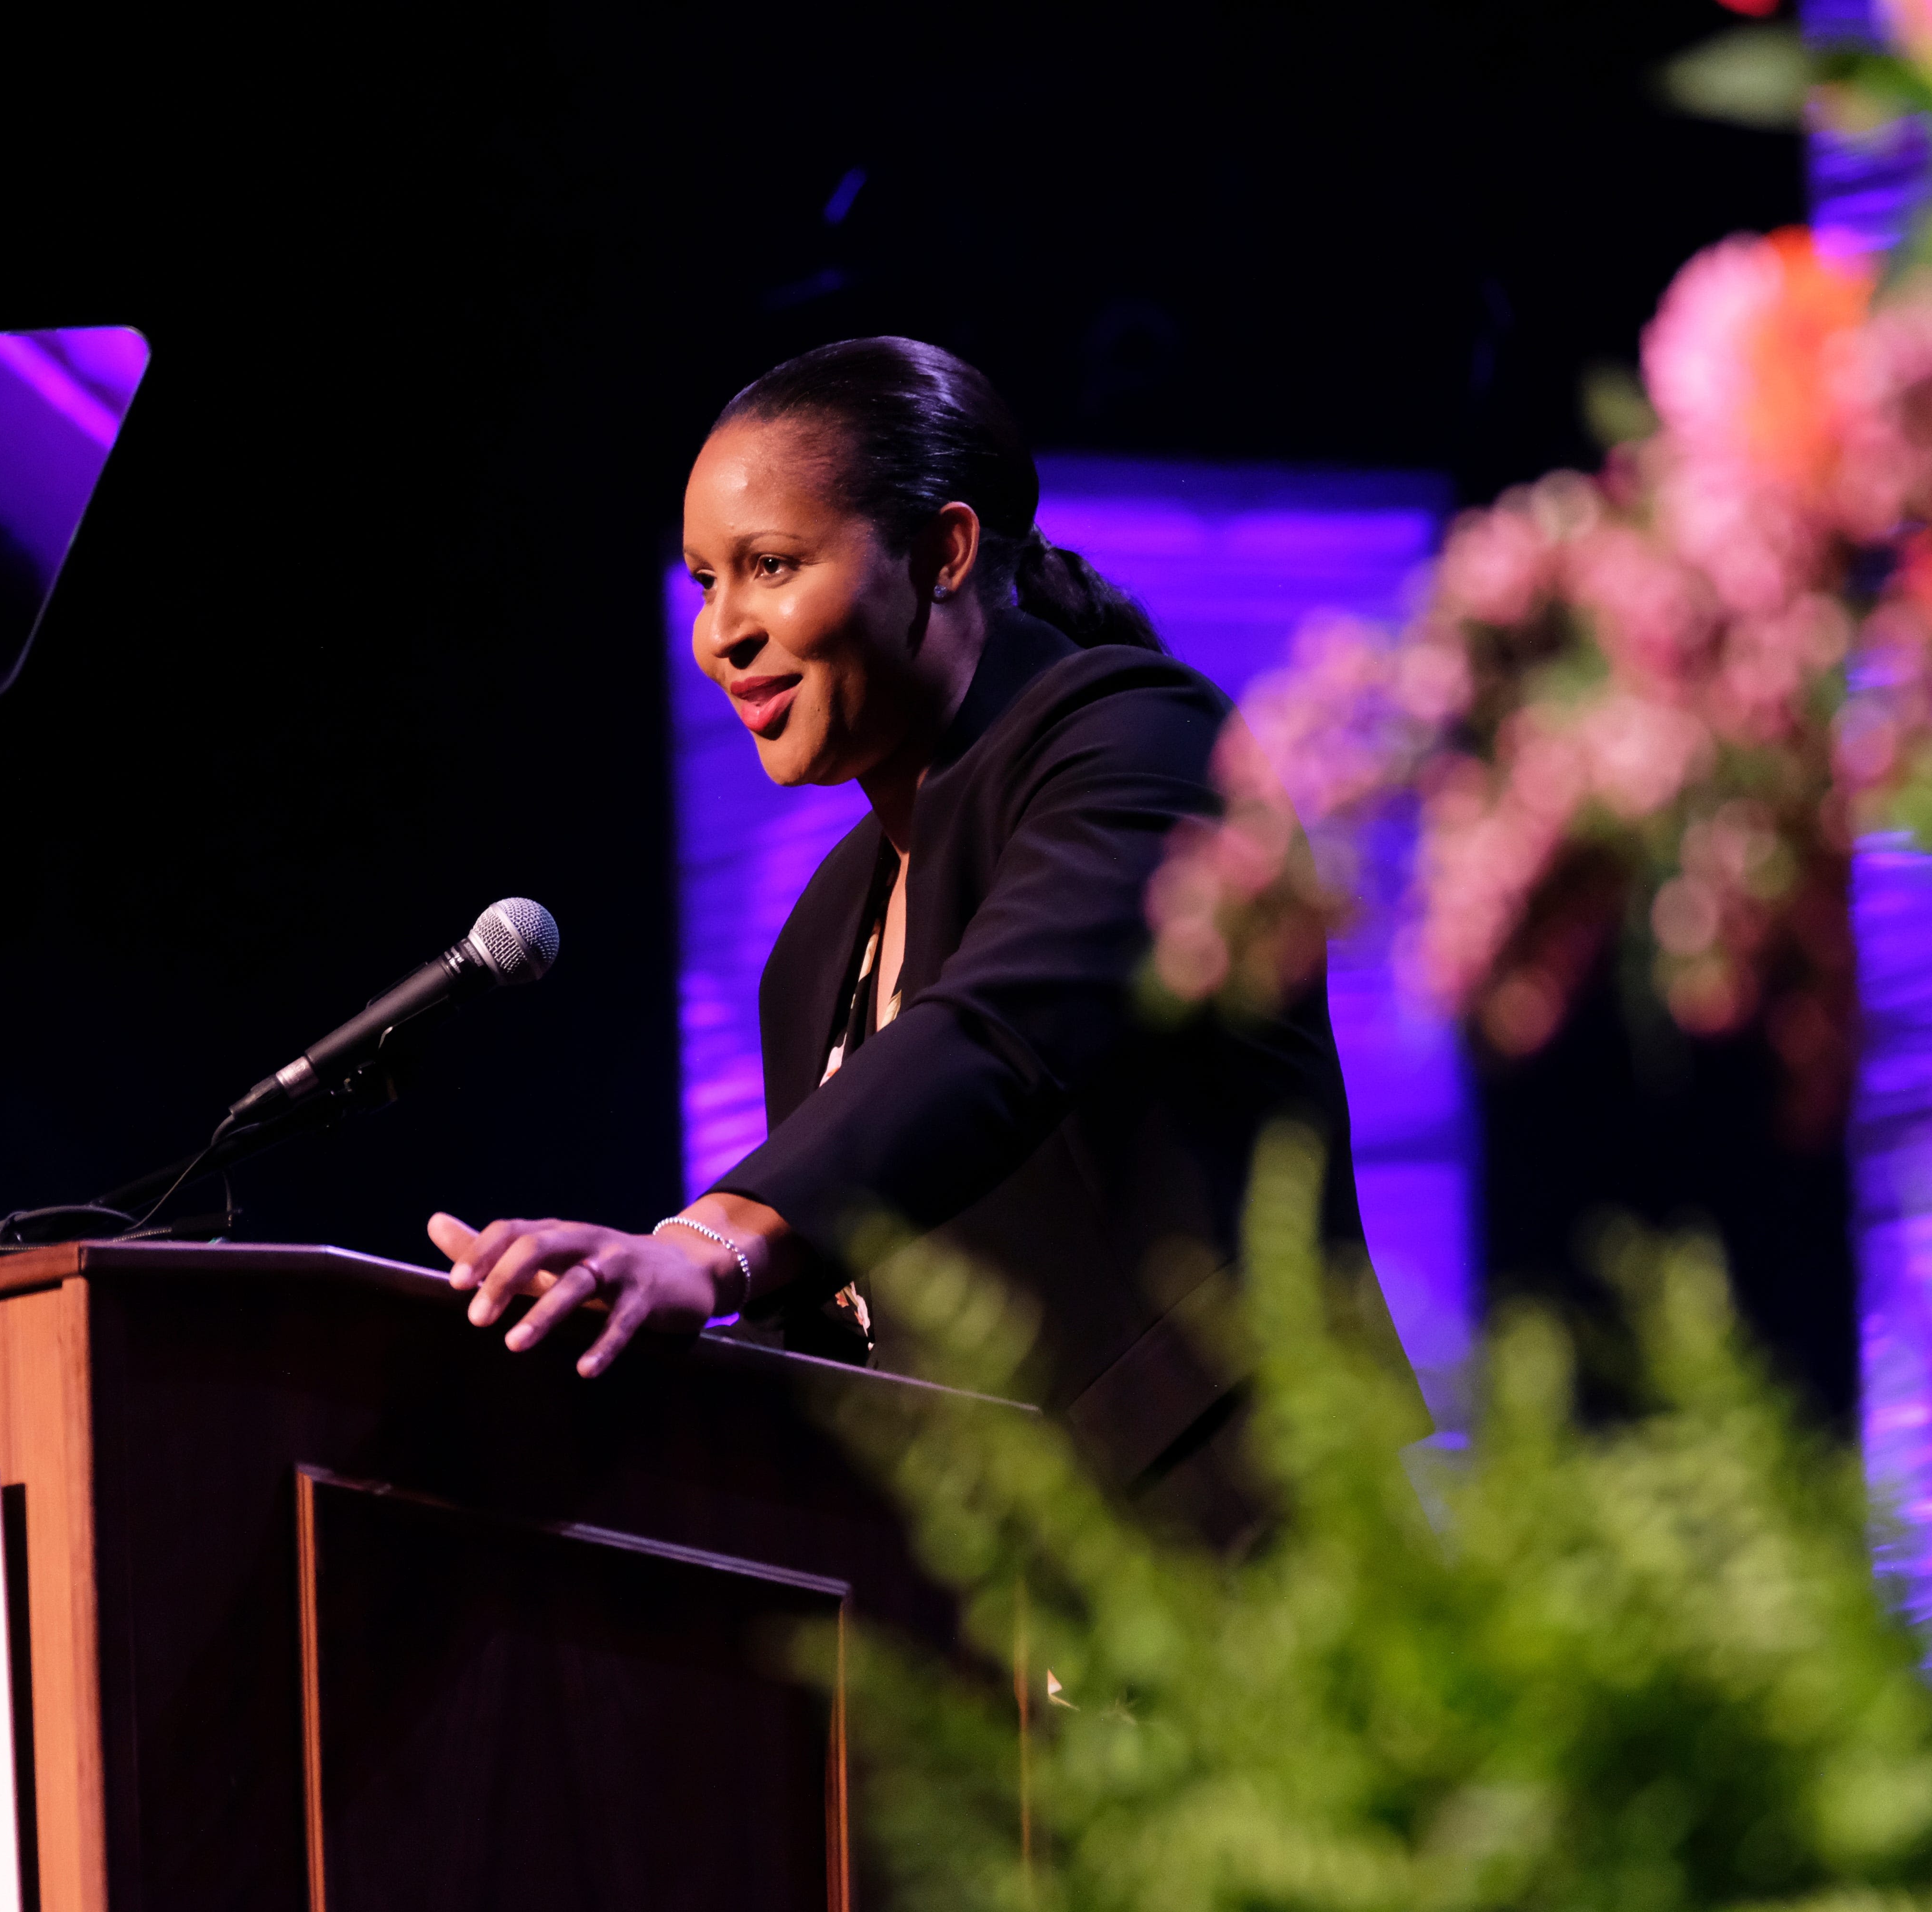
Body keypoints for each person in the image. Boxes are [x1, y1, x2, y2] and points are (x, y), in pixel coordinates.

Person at [428, 337, 1422, 1525]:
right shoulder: (820, 938)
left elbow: (1000, 1034)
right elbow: (839, 1323)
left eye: (773, 565)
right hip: (998, 1615)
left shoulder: (1142, 743)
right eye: (705, 581)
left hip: (1249, 1547)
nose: (722, 633)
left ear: (942, 552)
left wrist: (703, 1244)